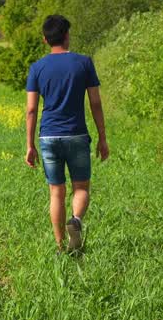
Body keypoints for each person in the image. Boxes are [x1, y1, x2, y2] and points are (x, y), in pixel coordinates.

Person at [25, 14, 109, 253]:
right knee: (80, 188)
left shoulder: (37, 68)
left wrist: (30, 145)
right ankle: (76, 221)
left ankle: (61, 246)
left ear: (45, 39)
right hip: (77, 135)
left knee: (56, 192)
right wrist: (102, 137)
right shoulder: (83, 63)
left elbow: (31, 109)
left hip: (48, 136)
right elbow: (95, 103)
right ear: (67, 36)